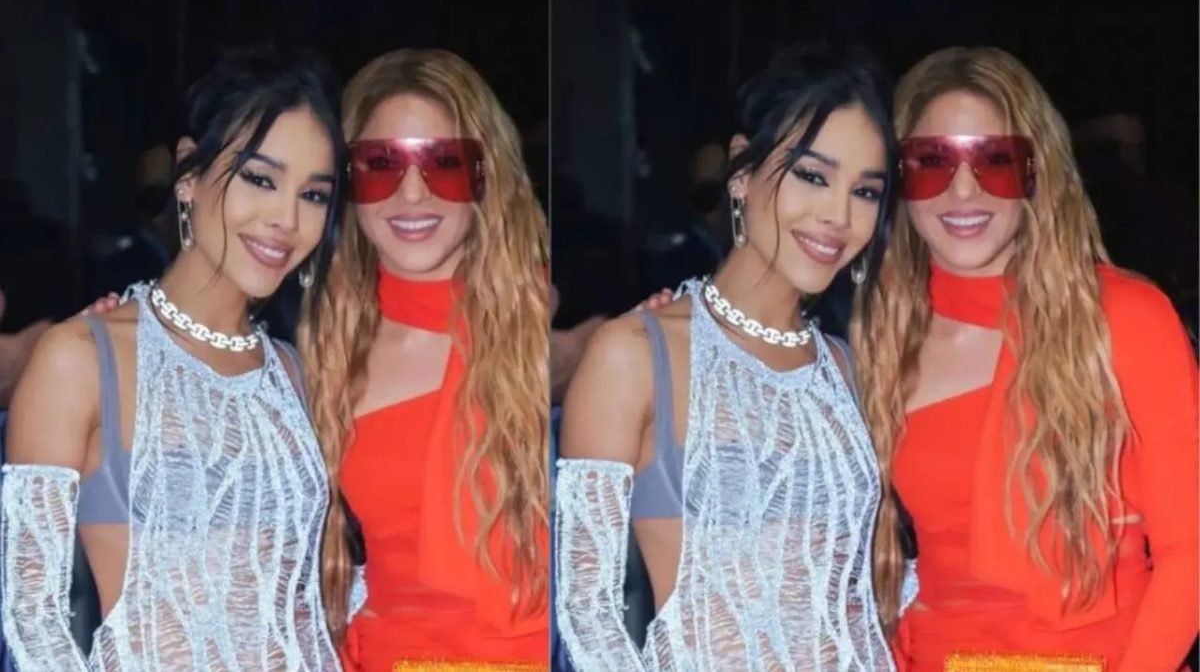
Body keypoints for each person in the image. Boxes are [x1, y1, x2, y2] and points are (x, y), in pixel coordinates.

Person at [555, 41, 899, 670]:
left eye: (866, 192)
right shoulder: (634, 354)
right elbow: (587, 613)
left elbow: (865, 596)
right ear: (742, 171)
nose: (838, 215)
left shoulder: (847, 370)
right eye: (813, 176)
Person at [1, 46, 345, 670]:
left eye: (314, 195)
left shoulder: (296, 374)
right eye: (260, 179)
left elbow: (310, 599)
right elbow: (32, 620)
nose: (286, 219)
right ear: (189, 173)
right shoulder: (80, 360)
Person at [856, 46, 1199, 671]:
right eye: (933, 161)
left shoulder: (1123, 318)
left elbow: (1190, 553)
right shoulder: (884, 333)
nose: (963, 189)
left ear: (1036, 171)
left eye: (995, 161)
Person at [298, 49, 549, 670]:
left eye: (444, 163)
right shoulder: (322, 350)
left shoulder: (549, 335)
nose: (412, 193)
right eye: (382, 165)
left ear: (486, 174)